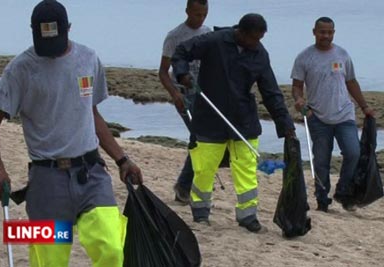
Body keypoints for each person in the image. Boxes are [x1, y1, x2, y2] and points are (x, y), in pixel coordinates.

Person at [0, 1, 142, 266]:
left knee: (113, 249)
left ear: (68, 29)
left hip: (91, 175)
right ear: (32, 31)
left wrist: (122, 159)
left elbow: (91, 114)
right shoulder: (20, 69)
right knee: (50, 261)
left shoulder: (89, 59)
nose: (50, 52)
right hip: (47, 183)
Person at [171, 13, 295, 232]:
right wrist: (182, 74)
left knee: (246, 169)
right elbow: (181, 52)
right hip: (210, 117)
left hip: (243, 120)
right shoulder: (214, 41)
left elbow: (271, 92)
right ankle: (200, 213)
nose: (257, 43)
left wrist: (285, 125)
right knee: (204, 169)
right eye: (254, 38)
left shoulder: (259, 54)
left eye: (260, 39)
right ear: (241, 32)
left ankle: (248, 216)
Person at [291, 17, 375, 212]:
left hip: (345, 114)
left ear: (334, 33)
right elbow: (296, 87)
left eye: (329, 32)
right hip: (318, 117)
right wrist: (299, 100)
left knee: (353, 153)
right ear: (314, 32)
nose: (326, 36)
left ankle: (344, 192)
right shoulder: (304, 57)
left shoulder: (342, 54)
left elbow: (351, 82)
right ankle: (322, 198)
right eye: (322, 32)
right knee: (321, 159)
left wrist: (364, 107)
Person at [158, 0, 210, 204]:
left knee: (201, 139)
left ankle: (186, 184)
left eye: (204, 14)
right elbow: (162, 72)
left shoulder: (207, 32)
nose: (200, 19)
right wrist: (175, 94)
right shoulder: (175, 36)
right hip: (183, 94)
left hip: (204, 92)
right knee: (199, 137)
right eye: (197, 14)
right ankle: (184, 185)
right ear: (187, 11)